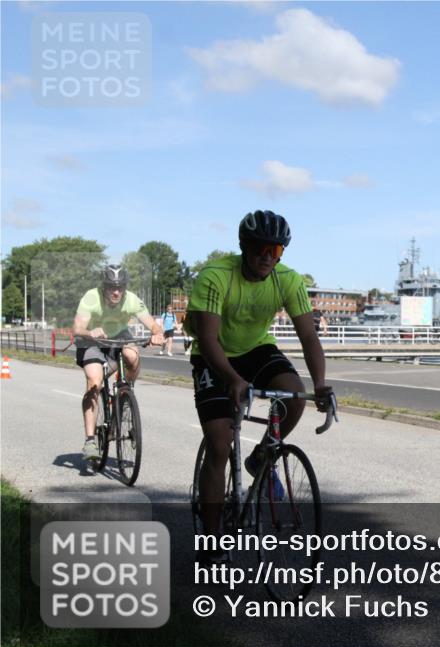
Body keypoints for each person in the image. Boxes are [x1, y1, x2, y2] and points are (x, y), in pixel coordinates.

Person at [186, 210, 331, 560]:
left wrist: (320, 384)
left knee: (294, 397)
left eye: (276, 250)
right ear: (243, 246)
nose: (267, 257)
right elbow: (207, 338)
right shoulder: (215, 276)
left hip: (256, 349)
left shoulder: (288, 280)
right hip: (213, 353)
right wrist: (233, 379)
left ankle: (260, 457)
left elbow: (308, 336)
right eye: (260, 249)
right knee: (219, 443)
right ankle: (212, 542)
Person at [73, 265, 164, 461]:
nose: (116, 292)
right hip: (92, 340)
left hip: (118, 336)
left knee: (132, 355)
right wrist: (90, 332)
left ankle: (124, 394)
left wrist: (157, 334)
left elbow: (152, 324)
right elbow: (78, 327)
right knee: (94, 382)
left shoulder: (131, 300)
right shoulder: (91, 297)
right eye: (111, 287)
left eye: (120, 287)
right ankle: (90, 441)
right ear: (103, 286)